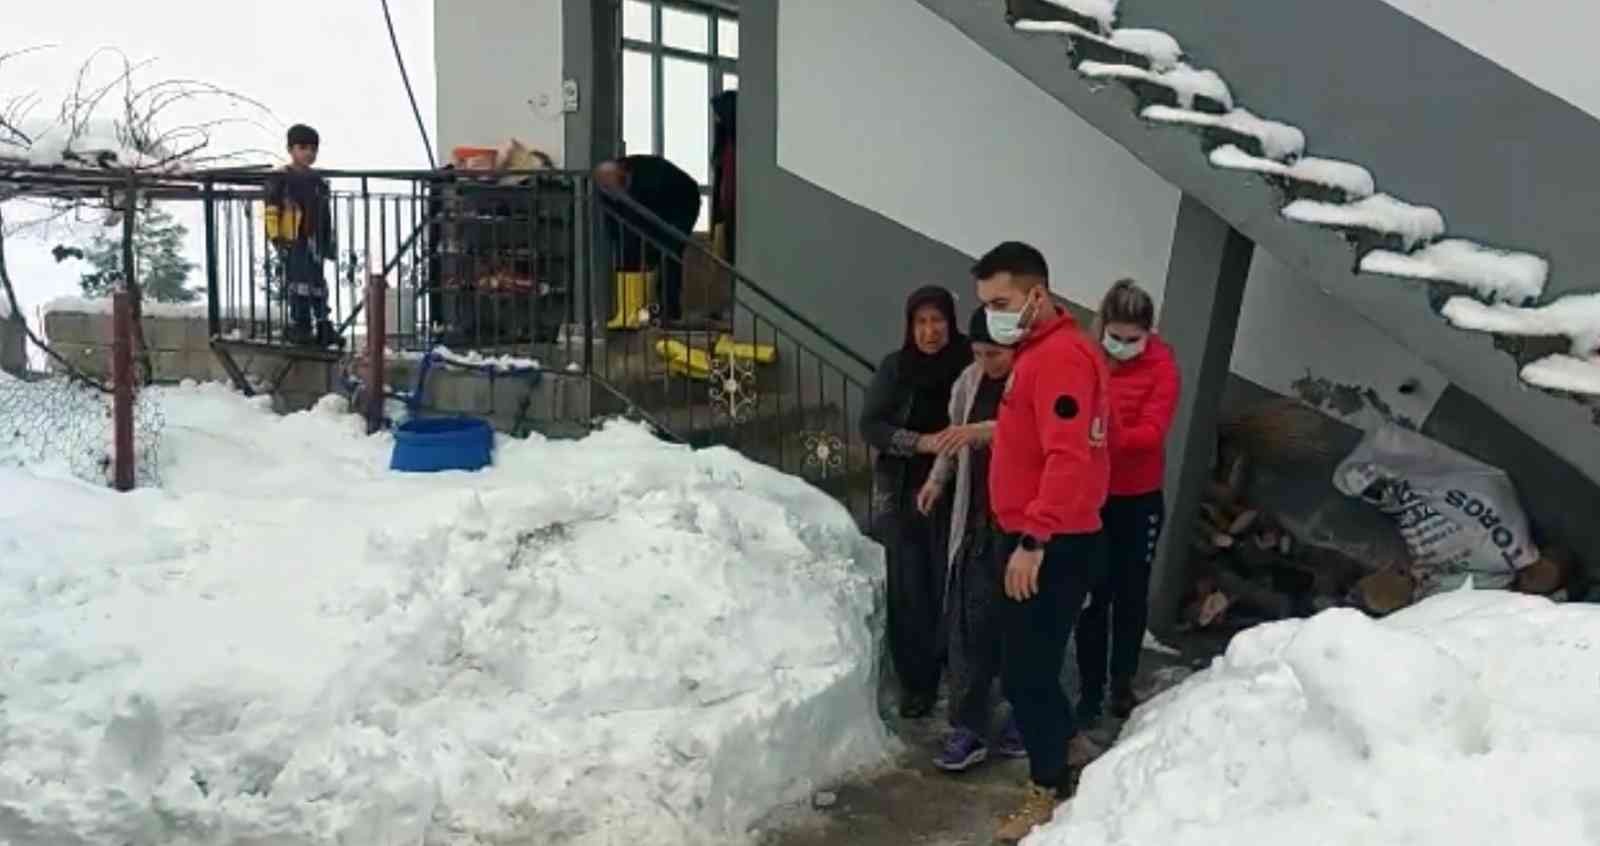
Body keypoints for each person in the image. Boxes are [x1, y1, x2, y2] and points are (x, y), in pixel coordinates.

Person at [973, 242, 1111, 843]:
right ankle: (1068, 748)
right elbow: (1031, 434)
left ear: (1037, 294)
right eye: (984, 304)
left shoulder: (1060, 359)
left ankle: (1047, 787)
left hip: (1045, 542)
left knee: (1025, 672)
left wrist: (1033, 539)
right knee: (1027, 662)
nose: (992, 314)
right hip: (1034, 533)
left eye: (1000, 301)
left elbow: (1067, 455)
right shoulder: (1040, 352)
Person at [918, 306, 1025, 772]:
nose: (988, 363)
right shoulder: (968, 382)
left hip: (1022, 528)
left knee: (1024, 629)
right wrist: (937, 480)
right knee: (969, 630)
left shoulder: (1031, 382)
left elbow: (1030, 434)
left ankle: (1025, 716)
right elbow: (954, 438)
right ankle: (969, 727)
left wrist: (983, 432)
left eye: (996, 354)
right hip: (978, 522)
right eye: (980, 353)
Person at [859, 285, 972, 719]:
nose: (929, 331)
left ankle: (953, 668)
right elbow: (872, 424)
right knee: (909, 587)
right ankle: (917, 683)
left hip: (959, 489)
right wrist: (920, 442)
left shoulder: (968, 365)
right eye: (920, 322)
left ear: (951, 322)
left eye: (937, 320)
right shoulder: (896, 367)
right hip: (904, 488)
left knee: (950, 581)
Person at [1075, 279, 1179, 724]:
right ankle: (1089, 689)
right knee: (1091, 596)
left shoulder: (1161, 369)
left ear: (1148, 333)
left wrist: (1107, 434)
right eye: (1114, 336)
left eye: (1131, 339)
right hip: (1091, 497)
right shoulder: (1087, 359)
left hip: (1137, 498)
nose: (1120, 346)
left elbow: (1151, 434)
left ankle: (1122, 683)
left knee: (1130, 595)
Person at [593, 155, 702, 322]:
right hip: (650, 209)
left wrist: (647, 249)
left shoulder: (651, 174)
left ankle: (670, 311)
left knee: (669, 253)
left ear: (623, 175)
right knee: (629, 252)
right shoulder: (606, 189)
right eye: (607, 188)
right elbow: (614, 224)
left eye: (615, 187)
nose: (612, 191)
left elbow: (648, 218)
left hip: (682, 203)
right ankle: (631, 311)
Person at [264, 124, 337, 347]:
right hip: (293, 238)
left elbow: (326, 214)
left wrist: (328, 241)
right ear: (290, 149)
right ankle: (301, 325)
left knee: (317, 283)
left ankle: (323, 324)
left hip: (315, 238)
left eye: (313, 149)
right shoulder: (281, 178)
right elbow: (271, 209)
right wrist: (276, 237)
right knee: (298, 281)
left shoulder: (318, 181)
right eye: (303, 147)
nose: (309, 153)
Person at [710, 91, 737, 264]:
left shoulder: (738, 145)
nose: (715, 118)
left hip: (736, 211)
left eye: (717, 113)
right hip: (726, 211)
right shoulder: (724, 143)